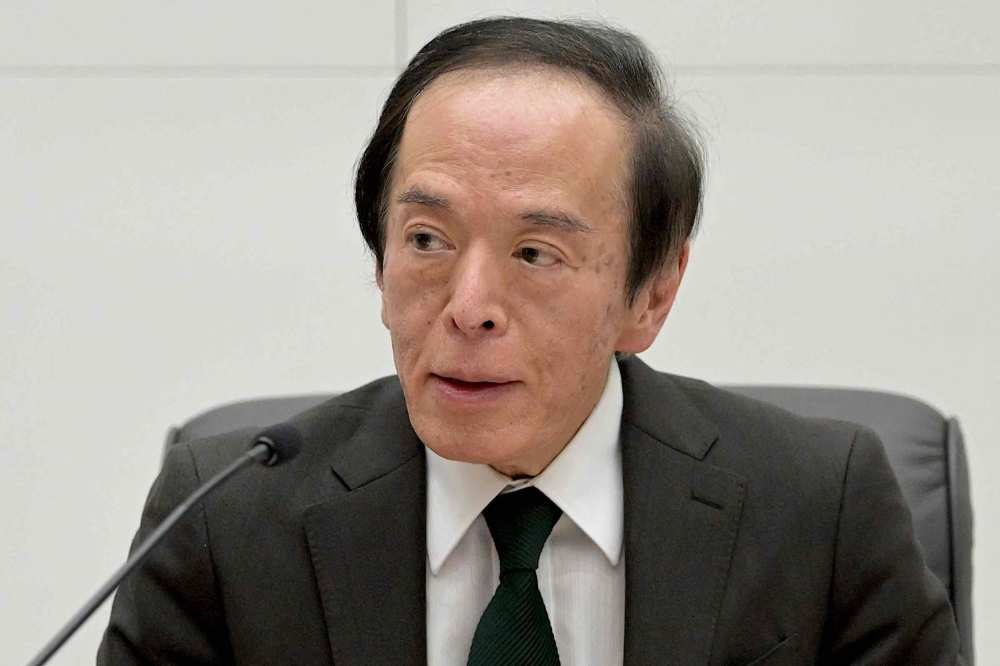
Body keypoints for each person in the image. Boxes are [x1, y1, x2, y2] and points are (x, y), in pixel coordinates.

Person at [98, 17, 963, 666]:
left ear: (652, 294)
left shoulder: (820, 510)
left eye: (535, 253)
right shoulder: (224, 517)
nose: (469, 307)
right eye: (427, 240)